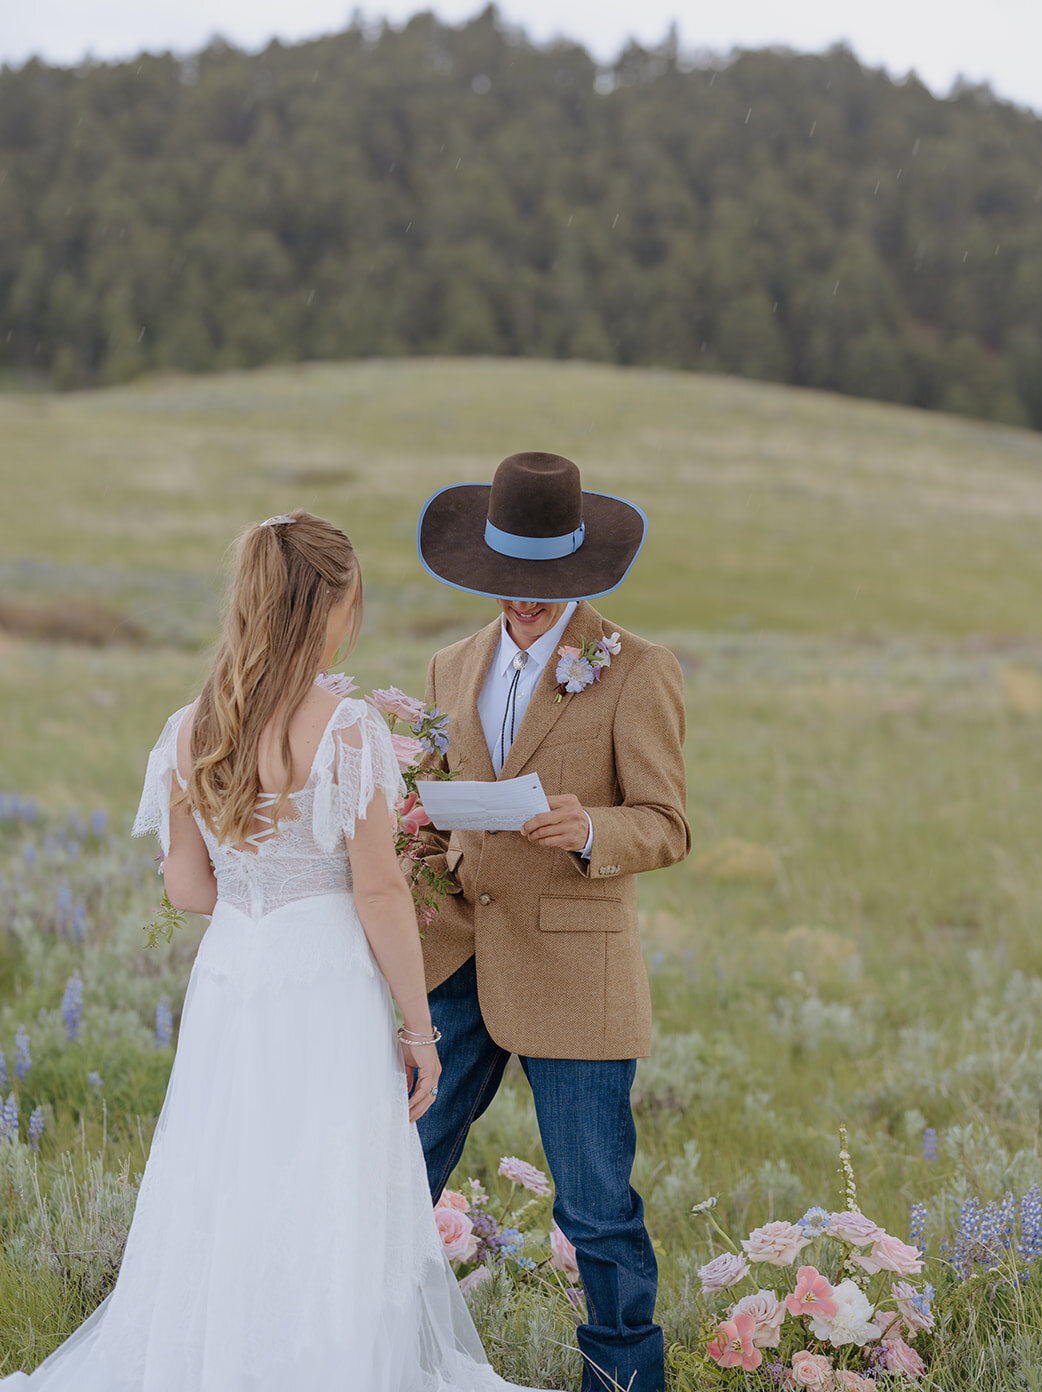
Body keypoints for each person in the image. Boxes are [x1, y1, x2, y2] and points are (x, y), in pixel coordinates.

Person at [2, 510, 547, 1392]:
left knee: (226, 1165)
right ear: (328, 603)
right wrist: (419, 1030)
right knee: (325, 1174)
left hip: (234, 973)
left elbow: (185, 889)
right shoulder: (347, 729)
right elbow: (375, 889)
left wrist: (258, 886)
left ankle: (220, 1355)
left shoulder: (188, 729)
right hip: (323, 976)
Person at [412, 452, 691, 1392]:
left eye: (543, 586)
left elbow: (666, 823)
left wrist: (589, 829)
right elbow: (433, 807)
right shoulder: (450, 665)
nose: (522, 602)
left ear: (578, 575)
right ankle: (379, 1353)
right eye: (505, 583)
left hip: (577, 974)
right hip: (454, 959)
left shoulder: (638, 668)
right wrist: (421, 822)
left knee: (597, 1208)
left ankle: (623, 1380)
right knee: (396, 1171)